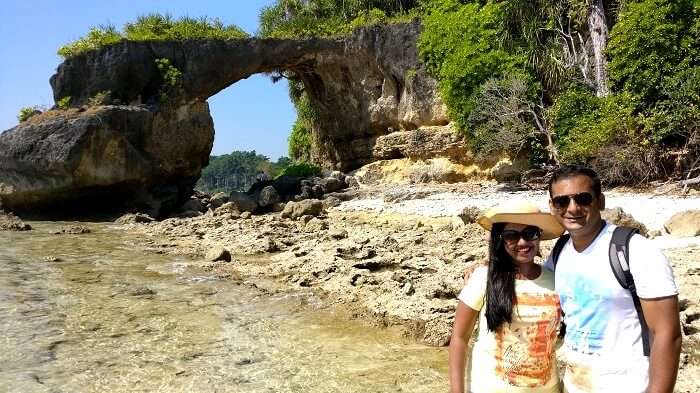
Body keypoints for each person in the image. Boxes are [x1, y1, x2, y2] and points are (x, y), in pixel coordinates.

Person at [544, 165, 682, 393]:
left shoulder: (635, 251)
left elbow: (668, 334)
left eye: (583, 198)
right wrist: (487, 268)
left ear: (600, 201)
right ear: (552, 206)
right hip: (575, 385)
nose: (573, 208)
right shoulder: (560, 252)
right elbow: (531, 281)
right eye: (562, 202)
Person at [450, 201, 565, 393]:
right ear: (500, 240)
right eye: (511, 236)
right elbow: (459, 338)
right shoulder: (482, 278)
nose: (522, 242)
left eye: (530, 234)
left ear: (539, 237)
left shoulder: (557, 279)